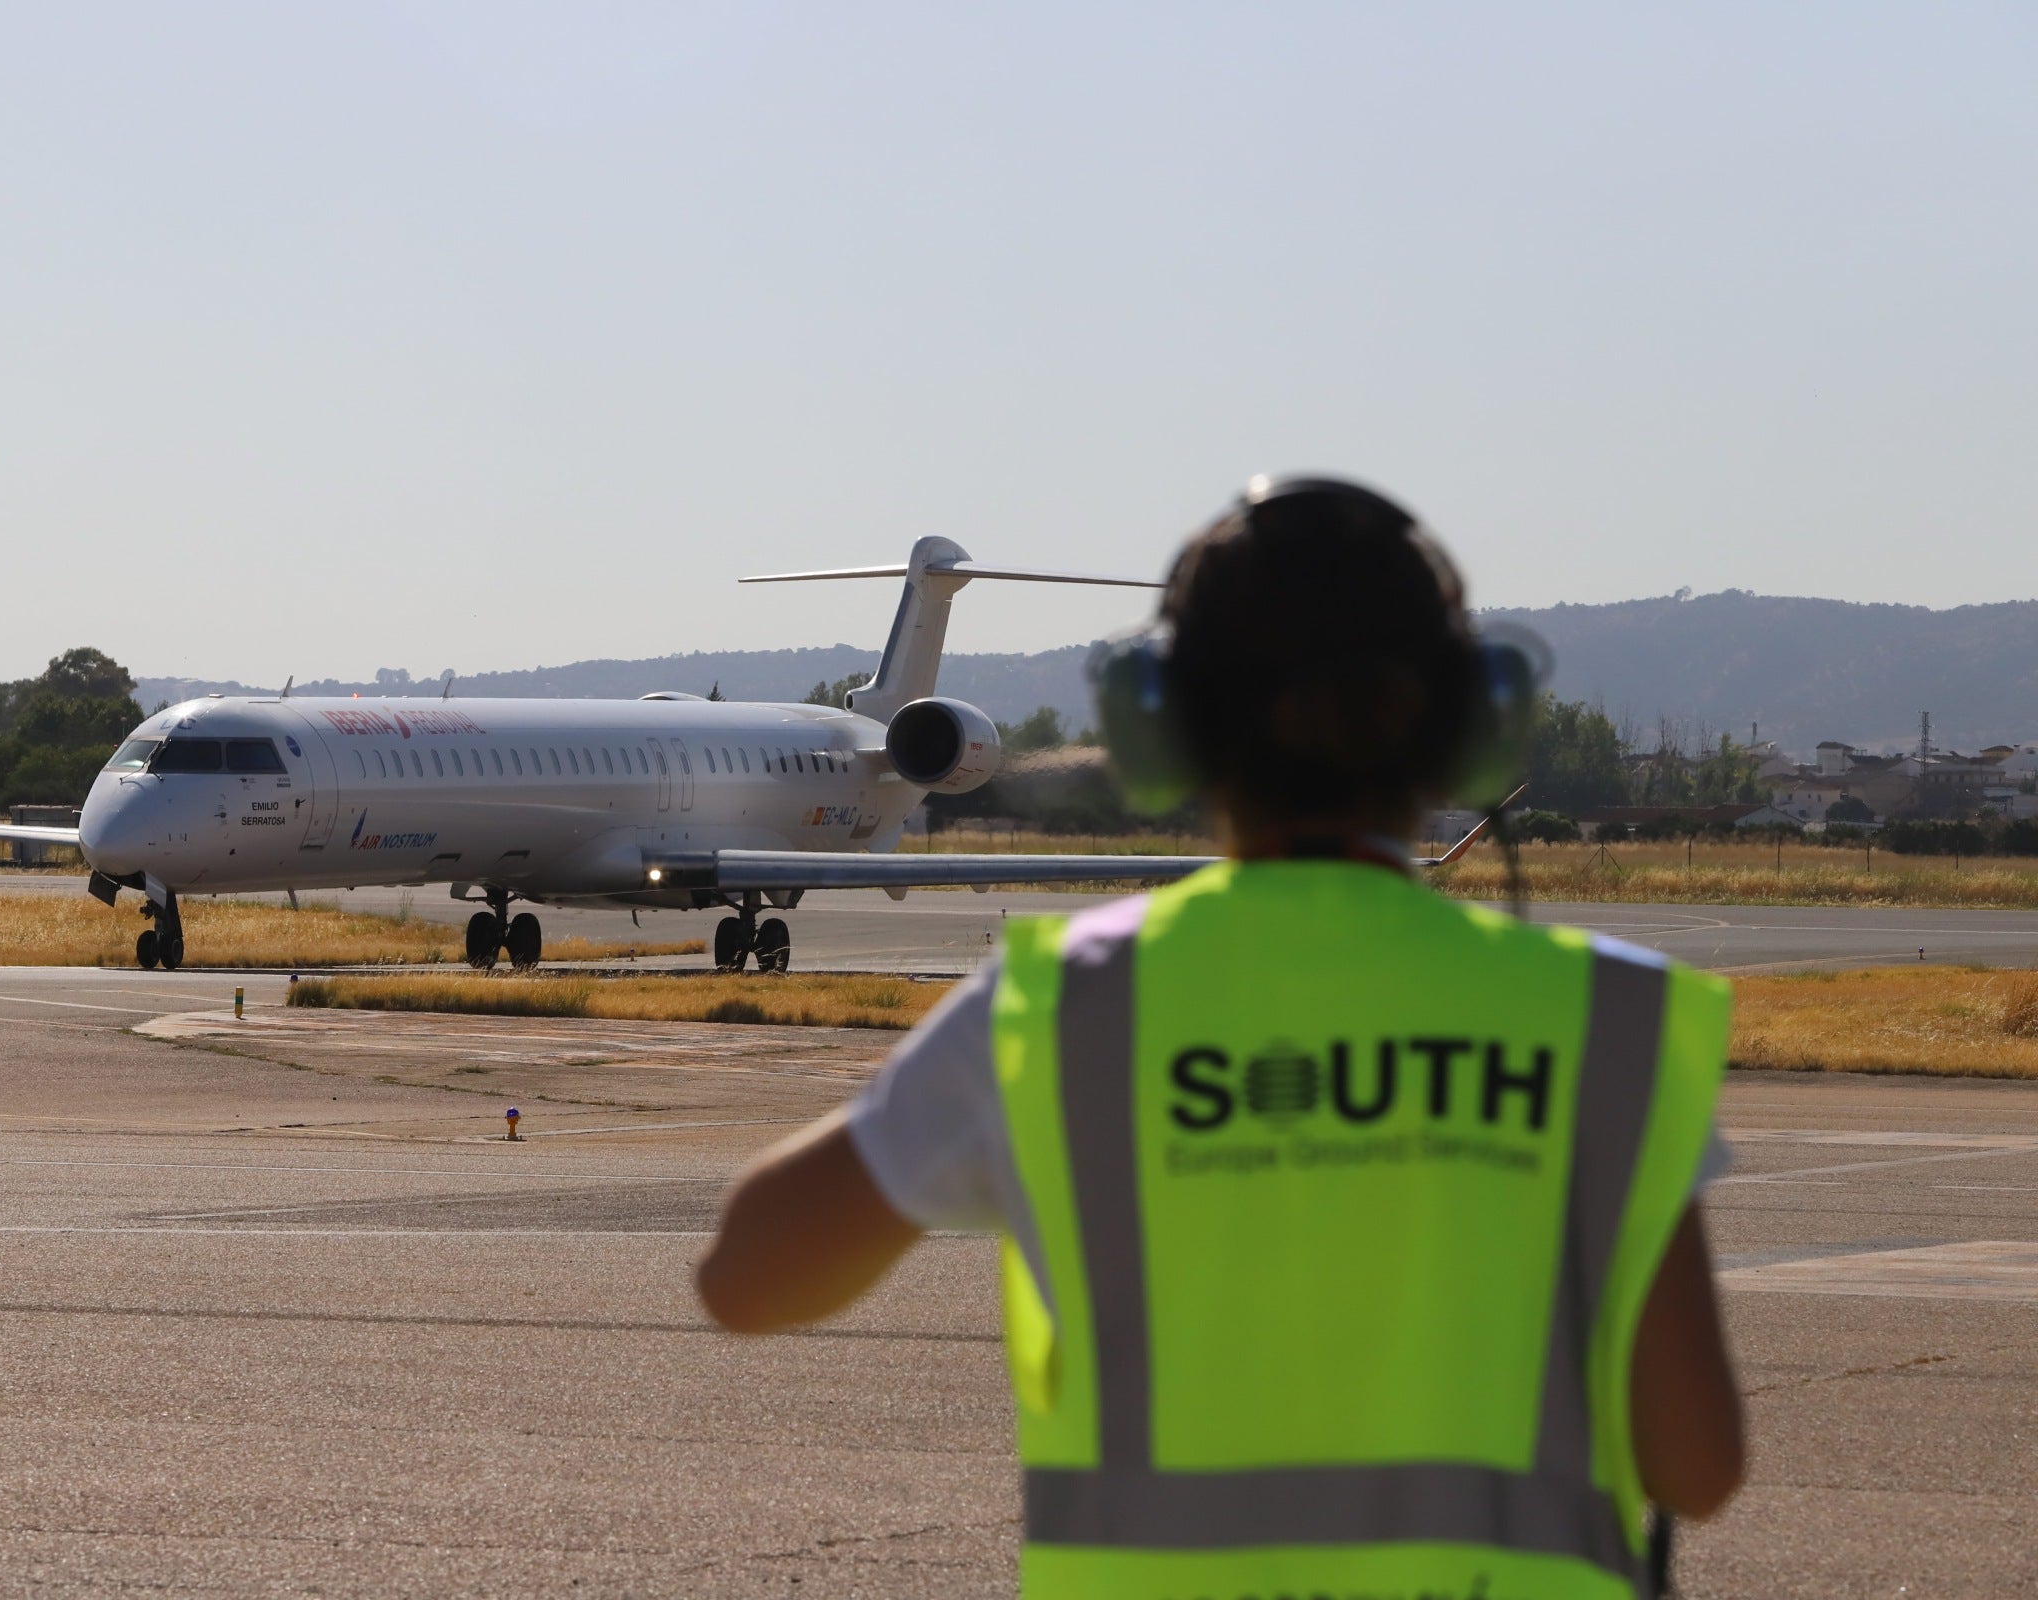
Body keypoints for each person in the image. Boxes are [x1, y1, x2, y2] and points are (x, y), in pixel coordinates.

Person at [695, 475, 1744, 1598]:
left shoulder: (1068, 1012)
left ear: (1166, 729)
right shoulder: (1602, 1020)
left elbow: (747, 1278)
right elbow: (1698, 1464)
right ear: (1463, 724)